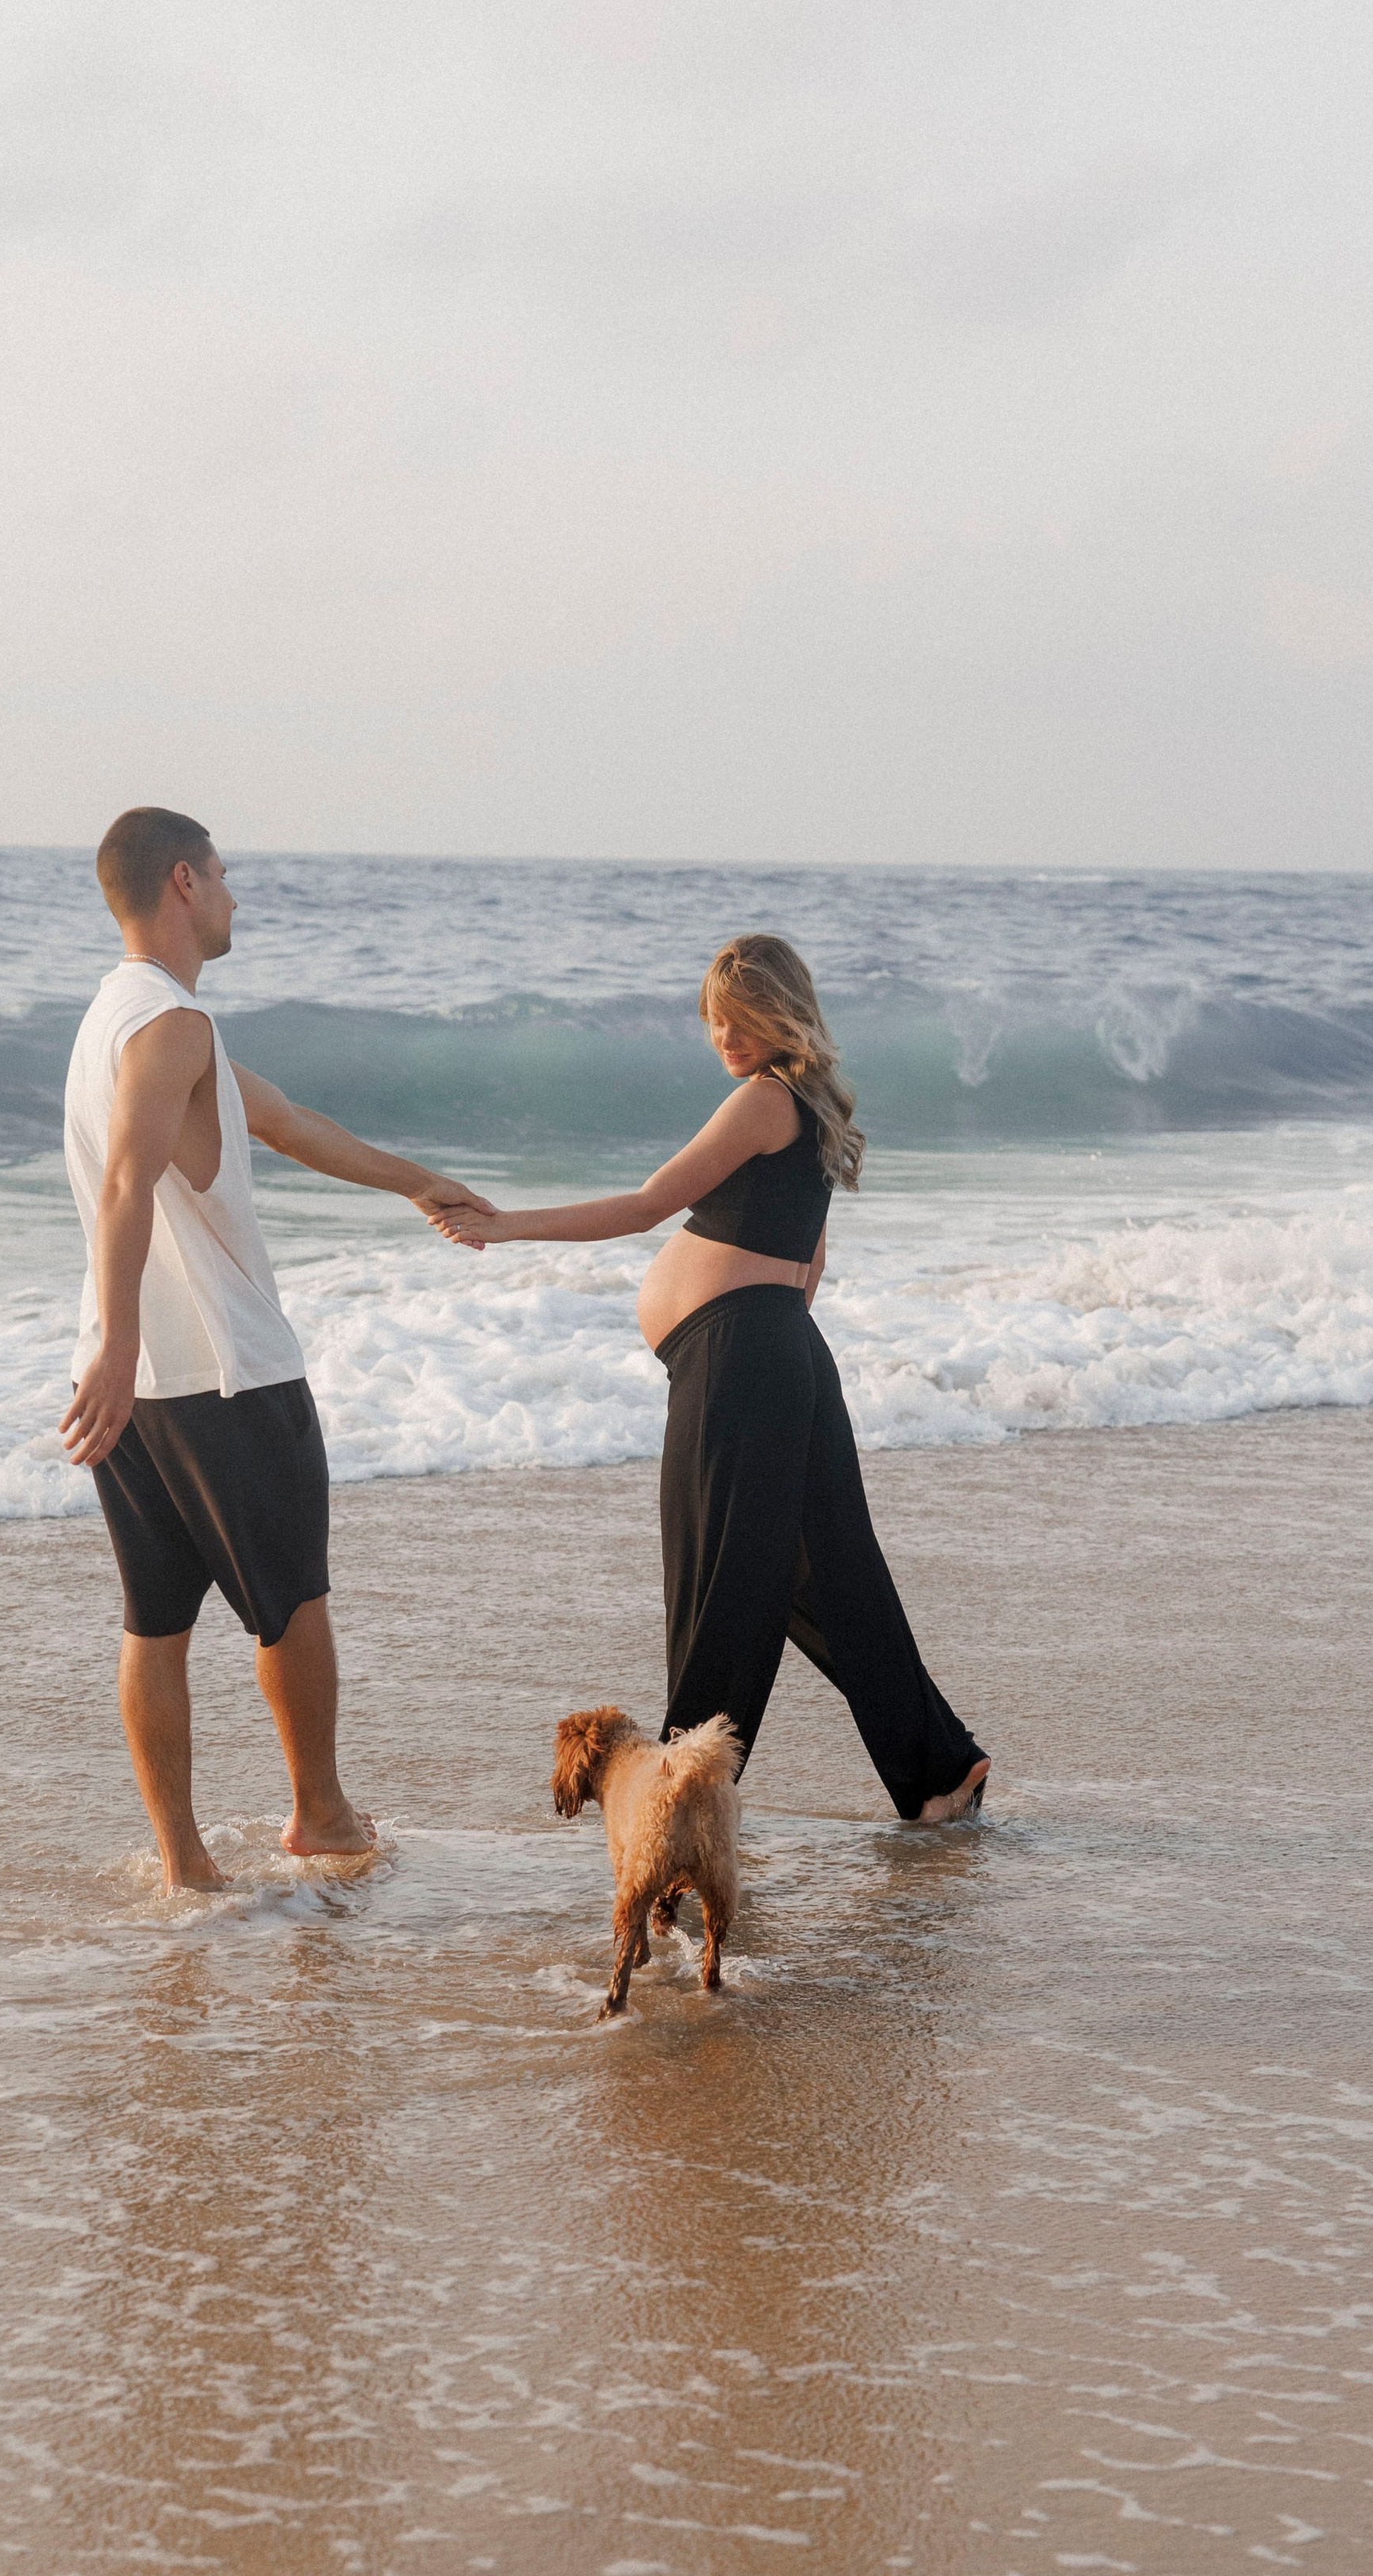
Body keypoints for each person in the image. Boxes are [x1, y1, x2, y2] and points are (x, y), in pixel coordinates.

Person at [446, 935, 989, 1824]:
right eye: (711, 1022)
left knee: (719, 1583)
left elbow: (647, 1204)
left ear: (780, 1017)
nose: (721, 1038)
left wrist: (501, 1226)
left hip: (744, 1358)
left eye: (736, 1021)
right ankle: (937, 1770)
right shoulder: (808, 1109)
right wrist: (776, 1356)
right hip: (778, 1353)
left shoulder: (762, 1100)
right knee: (828, 1575)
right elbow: (810, 1261)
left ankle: (678, 1806)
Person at [60, 807, 492, 1889]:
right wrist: (118, 1342)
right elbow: (124, 1184)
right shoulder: (171, 1026)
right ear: (183, 885)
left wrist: (419, 1181)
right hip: (225, 1369)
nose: (236, 895)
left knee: (153, 1621)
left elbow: (289, 1123)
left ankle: (186, 1863)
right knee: (291, 1598)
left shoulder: (121, 1019)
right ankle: (323, 1816)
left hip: (147, 1384)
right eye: (224, 874)